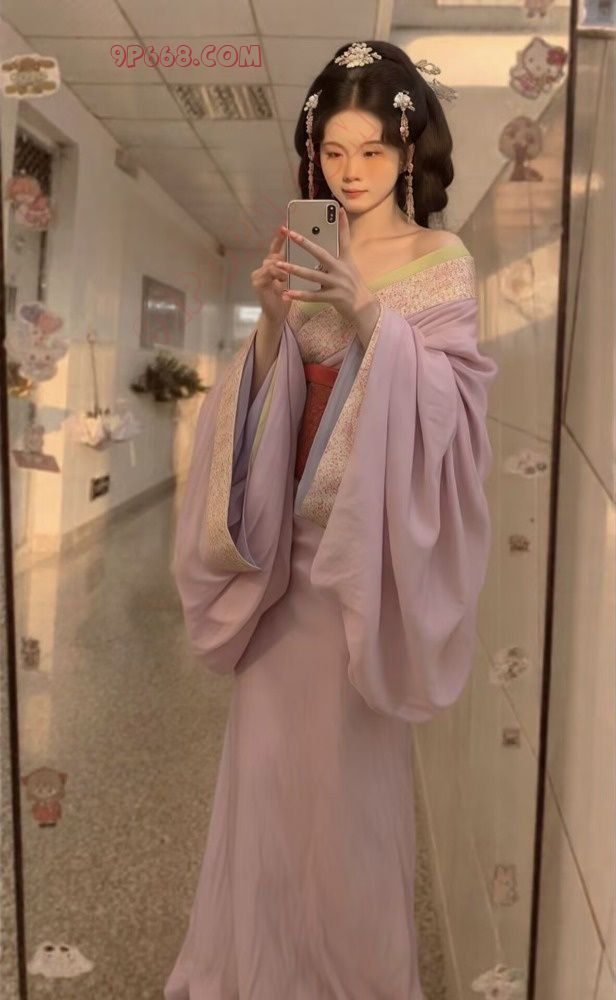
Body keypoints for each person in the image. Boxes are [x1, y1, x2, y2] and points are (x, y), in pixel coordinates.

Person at [164, 39, 498, 1000]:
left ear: (409, 151)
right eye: (334, 152)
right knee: (267, 787)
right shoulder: (313, 249)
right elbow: (265, 407)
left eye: (372, 152)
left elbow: (457, 412)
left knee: (349, 801)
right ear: (313, 152)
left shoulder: (441, 259)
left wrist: (372, 320)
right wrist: (273, 321)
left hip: (366, 573)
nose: (351, 173)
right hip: (284, 573)